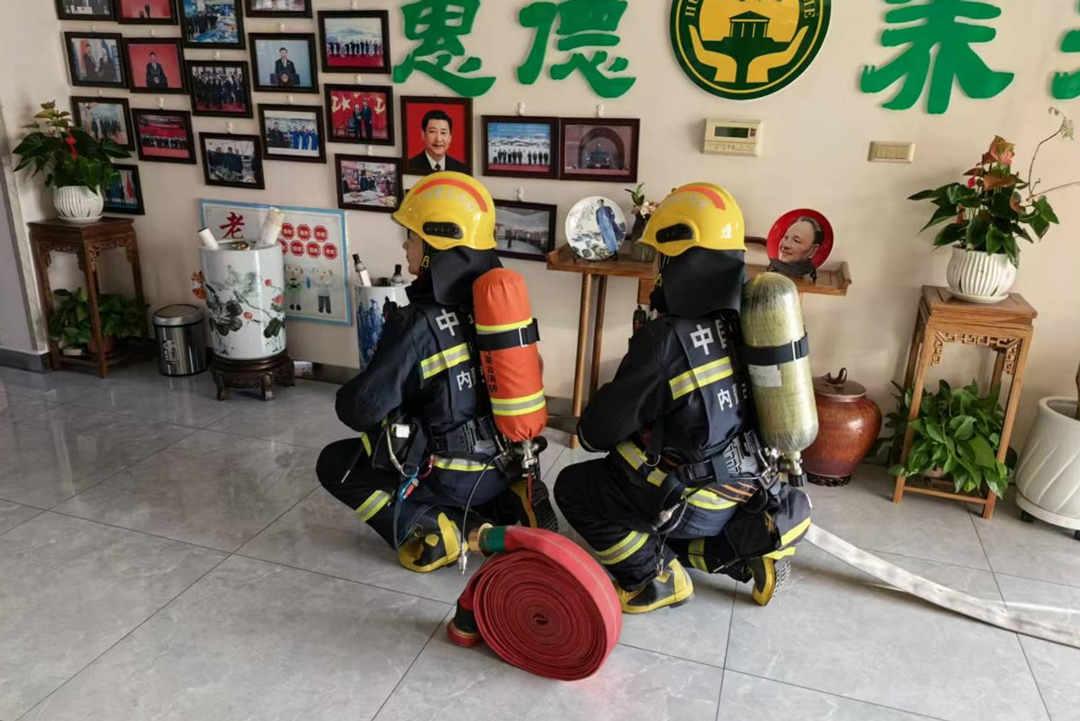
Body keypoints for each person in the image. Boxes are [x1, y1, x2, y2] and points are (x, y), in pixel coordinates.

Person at [555, 183, 813, 613]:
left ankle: (654, 578)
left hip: (694, 499)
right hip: (752, 488)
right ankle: (748, 555)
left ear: (679, 259)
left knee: (576, 487)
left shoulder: (667, 339)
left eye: (662, 257)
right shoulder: (750, 317)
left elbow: (597, 433)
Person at [316, 172, 557, 574]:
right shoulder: (495, 306)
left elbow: (358, 411)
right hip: (509, 461)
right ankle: (511, 498)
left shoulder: (416, 323)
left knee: (336, 463)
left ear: (435, 245)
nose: (405, 246)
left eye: (411, 237)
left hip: (453, 474)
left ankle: (435, 530)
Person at [407, 110, 466, 175]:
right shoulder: (410, 165)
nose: (438, 139)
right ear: (423, 135)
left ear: (450, 137)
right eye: (432, 131)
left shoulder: (460, 169)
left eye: (443, 132)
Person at [768, 216, 824, 280]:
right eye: (786, 237)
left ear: (813, 250)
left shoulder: (808, 273)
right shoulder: (774, 264)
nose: (785, 245)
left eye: (796, 240)